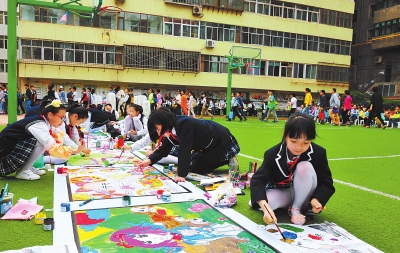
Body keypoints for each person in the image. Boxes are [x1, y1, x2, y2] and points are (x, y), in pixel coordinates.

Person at [249, 113, 335, 225]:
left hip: (306, 196)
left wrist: (316, 200)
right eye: (294, 141)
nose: (299, 147)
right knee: (263, 202)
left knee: (304, 166)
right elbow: (257, 180)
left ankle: (296, 208)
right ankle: (288, 206)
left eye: (306, 143)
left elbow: (326, 182)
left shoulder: (318, 153)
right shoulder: (272, 154)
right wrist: (265, 208)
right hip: (285, 193)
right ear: (285, 135)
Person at [138, 109, 240, 182]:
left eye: (158, 129)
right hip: (203, 145)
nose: (159, 133)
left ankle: (229, 158)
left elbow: (184, 149)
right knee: (196, 168)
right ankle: (222, 158)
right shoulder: (169, 131)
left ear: (163, 121)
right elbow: (163, 150)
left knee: (208, 160)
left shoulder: (184, 123)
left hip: (218, 139)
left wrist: (182, 175)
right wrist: (149, 161)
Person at [0, 99, 75, 180]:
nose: (62, 121)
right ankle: (24, 170)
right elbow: (49, 144)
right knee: (42, 143)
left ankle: (28, 167)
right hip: (4, 154)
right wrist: (74, 151)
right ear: (50, 115)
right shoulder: (39, 124)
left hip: (9, 149)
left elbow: (58, 132)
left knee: (41, 141)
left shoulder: (44, 121)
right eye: (61, 117)